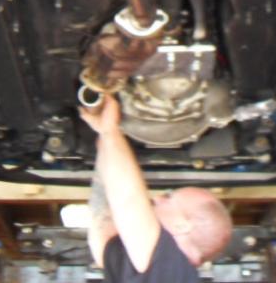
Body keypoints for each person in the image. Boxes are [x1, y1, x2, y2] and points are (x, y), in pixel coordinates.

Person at [80, 94, 233, 282]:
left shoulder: (171, 271)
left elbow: (125, 205)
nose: (157, 198)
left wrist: (109, 132)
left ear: (182, 225)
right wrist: (106, 137)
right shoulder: (171, 273)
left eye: (168, 197)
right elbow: (108, 226)